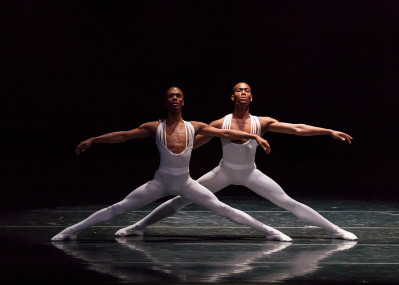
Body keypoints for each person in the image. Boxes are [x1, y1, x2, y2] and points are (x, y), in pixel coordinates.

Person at [115, 82, 357, 241]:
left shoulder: (262, 122)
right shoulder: (220, 123)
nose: (243, 93)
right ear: (232, 96)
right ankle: (139, 226)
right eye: (238, 90)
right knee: (182, 199)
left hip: (250, 173)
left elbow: (297, 129)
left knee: (287, 202)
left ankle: (335, 230)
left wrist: (328, 131)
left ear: (251, 97)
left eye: (246, 90)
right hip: (224, 172)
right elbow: (191, 142)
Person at [51, 86, 292, 242]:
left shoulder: (194, 126)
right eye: (171, 96)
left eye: (178, 96)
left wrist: (255, 136)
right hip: (161, 181)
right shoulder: (153, 127)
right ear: (166, 102)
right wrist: (94, 139)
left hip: (186, 183)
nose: (174, 99)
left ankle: (270, 231)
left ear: (183, 101)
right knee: (119, 207)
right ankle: (71, 231)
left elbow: (225, 133)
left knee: (223, 209)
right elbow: (124, 135)